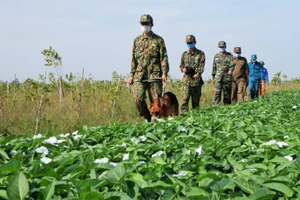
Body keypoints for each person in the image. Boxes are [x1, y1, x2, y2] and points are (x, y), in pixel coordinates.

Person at [128, 14, 169, 122]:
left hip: (155, 76)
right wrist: (131, 75)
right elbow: (133, 59)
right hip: (140, 75)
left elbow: (163, 58)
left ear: (151, 24)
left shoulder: (159, 40)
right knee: (138, 99)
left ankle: (157, 121)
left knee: (156, 101)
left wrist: (164, 73)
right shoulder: (137, 41)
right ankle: (147, 117)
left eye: (147, 23)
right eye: (143, 24)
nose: (144, 25)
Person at [179, 35, 205, 113]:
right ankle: (184, 117)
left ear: (195, 42)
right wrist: (183, 69)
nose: (189, 44)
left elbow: (202, 65)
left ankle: (195, 118)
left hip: (196, 81)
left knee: (195, 103)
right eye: (188, 43)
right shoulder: (184, 54)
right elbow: (181, 65)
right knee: (184, 100)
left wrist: (198, 73)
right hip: (186, 81)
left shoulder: (200, 53)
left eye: (190, 42)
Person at [212, 41, 235, 106]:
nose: (222, 48)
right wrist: (213, 78)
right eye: (220, 47)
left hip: (227, 78)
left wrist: (231, 70)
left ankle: (227, 109)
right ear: (218, 47)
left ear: (225, 47)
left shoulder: (229, 55)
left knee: (227, 95)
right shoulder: (216, 56)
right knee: (217, 94)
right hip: (218, 78)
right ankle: (215, 108)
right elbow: (214, 68)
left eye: (223, 47)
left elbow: (233, 64)